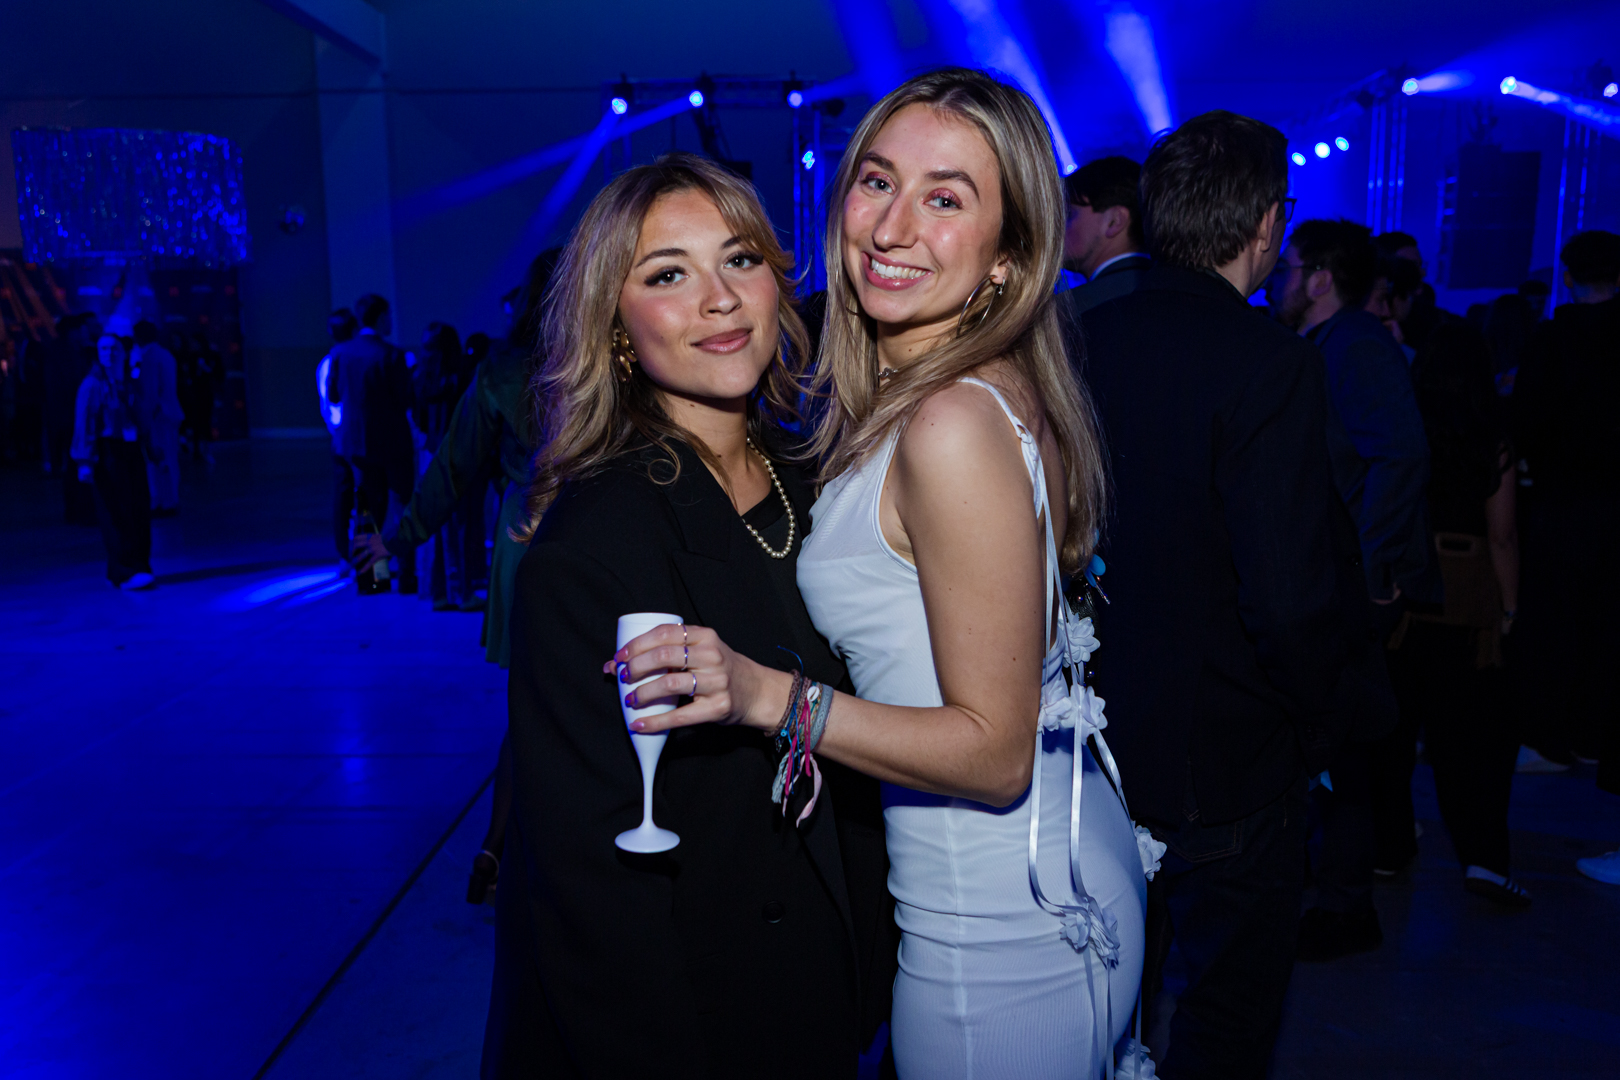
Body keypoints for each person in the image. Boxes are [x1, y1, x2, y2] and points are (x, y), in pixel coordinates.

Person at [619, 70, 1153, 1079]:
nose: (893, 227)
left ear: (1010, 256)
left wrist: (766, 696)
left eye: (945, 198)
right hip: (1046, 875)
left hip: (1000, 928)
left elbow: (995, 753)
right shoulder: (968, 387)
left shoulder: (951, 422)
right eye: (877, 181)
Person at [481, 154, 894, 1078]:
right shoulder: (597, 544)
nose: (720, 299)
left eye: (739, 259)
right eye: (668, 274)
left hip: (826, 994)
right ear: (617, 328)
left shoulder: (819, 480)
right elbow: (592, 895)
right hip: (703, 1016)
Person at [1081, 112, 1355, 1075]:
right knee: (1225, 1019)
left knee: (1102, 1006)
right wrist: (1319, 724)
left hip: (1089, 744)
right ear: (1269, 223)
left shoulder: (1078, 338)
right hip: (1227, 756)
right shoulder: (1269, 361)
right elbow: (1286, 594)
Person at [353, 251, 558, 906]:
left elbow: (452, 467)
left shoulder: (501, 368)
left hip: (525, 542)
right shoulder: (615, 362)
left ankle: (495, 848)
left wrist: (398, 537)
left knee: (530, 711)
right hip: (593, 537)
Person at [1389, 318, 1528, 906]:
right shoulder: (1490, 438)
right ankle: (1484, 860)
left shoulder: (1406, 427)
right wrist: (1510, 610)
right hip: (1468, 598)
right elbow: (1502, 536)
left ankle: (1388, 846)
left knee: (1394, 732)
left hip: (1409, 595)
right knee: (1472, 741)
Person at [1512, 230, 1620, 884]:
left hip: (1564, 505)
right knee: (1607, 630)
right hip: (1611, 509)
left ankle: (1553, 737)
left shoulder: (1556, 339)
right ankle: (1590, 738)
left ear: (1570, 275)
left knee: (1555, 623)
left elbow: (1528, 419)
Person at [327, 293, 417, 593]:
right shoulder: (392, 355)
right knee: (401, 506)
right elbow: (405, 399)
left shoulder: (340, 353)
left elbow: (334, 396)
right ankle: (406, 575)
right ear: (380, 317)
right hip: (393, 443)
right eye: (388, 315)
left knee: (366, 511)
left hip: (357, 444)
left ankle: (371, 578)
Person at [71, 331, 155, 589]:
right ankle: (124, 570)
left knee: (139, 507)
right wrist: (85, 462)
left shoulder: (128, 383)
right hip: (107, 451)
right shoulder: (92, 385)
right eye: (104, 349)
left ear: (124, 352)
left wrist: (152, 448)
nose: (109, 354)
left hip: (131, 450)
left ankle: (138, 565)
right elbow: (85, 424)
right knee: (116, 510)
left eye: (114, 349)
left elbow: (140, 417)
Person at [406, 320, 479, 609]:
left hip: (428, 455)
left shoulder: (419, 377)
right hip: (456, 455)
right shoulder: (460, 377)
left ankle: (435, 591)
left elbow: (418, 419)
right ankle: (461, 592)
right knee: (460, 524)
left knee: (433, 524)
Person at [1060, 155, 1150, 318]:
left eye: (1070, 214)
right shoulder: (1174, 290)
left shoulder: (1066, 312)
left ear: (1115, 221)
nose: (1060, 227)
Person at [318, 308, 358, 563]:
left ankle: (346, 553)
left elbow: (327, 407)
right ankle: (352, 553)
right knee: (354, 496)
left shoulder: (327, 363)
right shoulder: (340, 361)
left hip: (340, 437)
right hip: (351, 436)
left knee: (344, 496)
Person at [131, 321, 183, 515]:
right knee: (169, 457)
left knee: (158, 458)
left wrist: (144, 419)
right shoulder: (165, 355)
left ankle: (164, 501)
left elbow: (150, 394)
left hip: (157, 416)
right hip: (168, 414)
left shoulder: (149, 358)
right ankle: (170, 499)